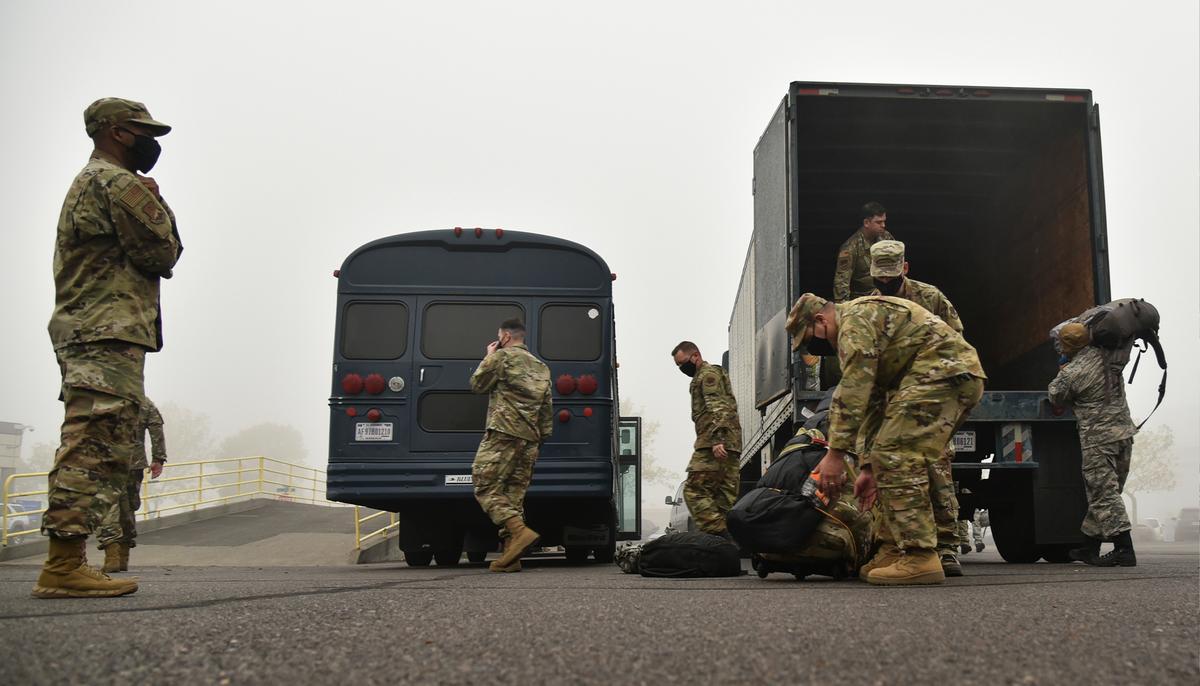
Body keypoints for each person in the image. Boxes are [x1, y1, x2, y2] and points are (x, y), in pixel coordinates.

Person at [34, 98, 181, 599]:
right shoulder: (119, 184)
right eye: (143, 132)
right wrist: (157, 201)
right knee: (94, 443)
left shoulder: (90, 181)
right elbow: (163, 253)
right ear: (117, 132)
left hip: (91, 328)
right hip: (107, 330)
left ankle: (68, 561)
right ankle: (62, 566)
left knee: (99, 440)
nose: (151, 142)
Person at [785, 293, 985, 586]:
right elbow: (874, 403)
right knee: (885, 457)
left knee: (896, 455)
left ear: (820, 320)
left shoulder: (853, 322)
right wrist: (868, 466)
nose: (815, 346)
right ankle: (893, 549)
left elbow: (853, 391)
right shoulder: (860, 322)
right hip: (942, 376)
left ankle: (919, 556)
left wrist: (835, 455)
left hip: (942, 374)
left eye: (811, 337)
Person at [868, 239, 965, 575]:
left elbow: (957, 342)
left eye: (891, 275)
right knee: (893, 473)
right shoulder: (869, 307)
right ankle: (901, 547)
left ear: (905, 269)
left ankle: (947, 547)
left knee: (937, 471)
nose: (885, 282)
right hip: (893, 403)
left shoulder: (930, 297)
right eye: (879, 277)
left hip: (932, 398)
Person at [1048, 323, 1137, 566]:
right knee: (1108, 490)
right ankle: (1089, 547)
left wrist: (1062, 369)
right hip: (1123, 435)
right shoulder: (1109, 357)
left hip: (1098, 440)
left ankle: (1124, 549)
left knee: (1102, 493)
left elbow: (1055, 396)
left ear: (1067, 346)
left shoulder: (1072, 372)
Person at [469, 319, 553, 573]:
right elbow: (546, 410)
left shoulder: (501, 358)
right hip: (530, 439)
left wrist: (488, 356)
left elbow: (477, 385)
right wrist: (539, 439)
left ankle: (520, 532)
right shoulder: (541, 367)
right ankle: (510, 558)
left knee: (484, 484)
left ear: (505, 336)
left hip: (503, 433)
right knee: (513, 495)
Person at [671, 341, 742, 538]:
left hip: (714, 442)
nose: (681, 368)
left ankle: (721, 535)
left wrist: (717, 439)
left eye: (683, 362)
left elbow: (717, 406)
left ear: (695, 355)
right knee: (722, 501)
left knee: (693, 490)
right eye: (678, 365)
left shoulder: (707, 375)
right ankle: (725, 547)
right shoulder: (706, 375)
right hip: (730, 443)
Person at [97, 399, 167, 572]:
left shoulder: (104, 396)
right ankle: (123, 556)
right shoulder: (143, 401)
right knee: (127, 507)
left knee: (108, 505)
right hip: (133, 462)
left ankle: (111, 556)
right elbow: (156, 426)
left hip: (106, 461)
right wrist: (158, 458)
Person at [833, 201, 895, 302]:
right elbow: (841, 283)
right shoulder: (850, 248)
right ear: (866, 223)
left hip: (886, 294)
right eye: (879, 222)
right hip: (862, 300)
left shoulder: (886, 238)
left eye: (884, 221)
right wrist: (844, 308)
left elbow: (897, 266)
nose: (883, 225)